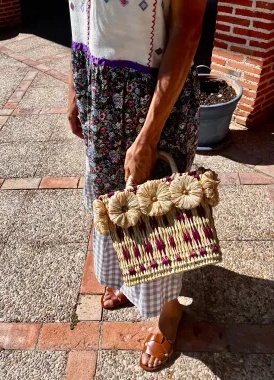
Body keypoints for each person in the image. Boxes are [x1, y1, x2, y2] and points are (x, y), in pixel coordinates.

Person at [68, 0, 206, 372]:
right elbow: (80, 16)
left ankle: (169, 312)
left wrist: (148, 137)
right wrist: (73, 89)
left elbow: (187, 32)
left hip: (151, 102)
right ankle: (132, 279)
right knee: (117, 209)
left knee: (157, 215)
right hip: (98, 95)